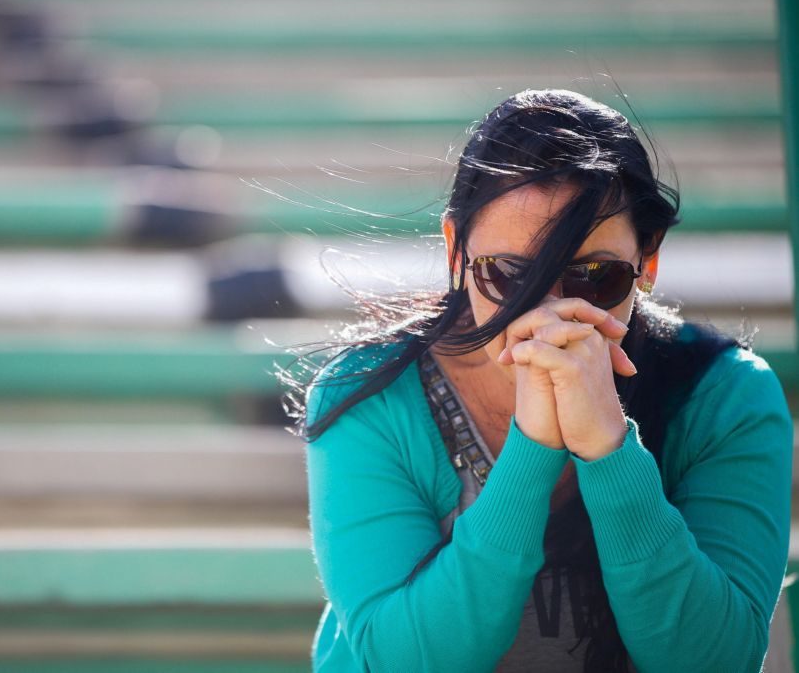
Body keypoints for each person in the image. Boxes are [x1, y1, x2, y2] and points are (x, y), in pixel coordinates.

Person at [293, 89, 792, 672]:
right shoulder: (368, 394)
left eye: (595, 277)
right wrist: (533, 448)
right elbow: (405, 661)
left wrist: (608, 449)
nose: (548, 315)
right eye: (510, 274)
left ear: (648, 261)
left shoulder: (725, 397)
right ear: (457, 250)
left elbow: (716, 660)